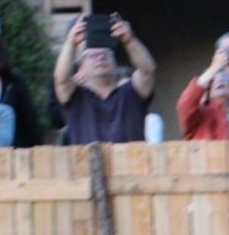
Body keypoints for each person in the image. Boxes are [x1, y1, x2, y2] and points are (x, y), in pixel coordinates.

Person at [52, 14, 156, 145]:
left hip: (131, 158)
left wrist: (129, 40)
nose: (100, 58)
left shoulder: (132, 92)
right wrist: (71, 43)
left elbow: (148, 71)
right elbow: (61, 79)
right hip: (86, 159)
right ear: (80, 67)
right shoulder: (75, 97)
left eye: (105, 54)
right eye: (92, 56)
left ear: (115, 63)